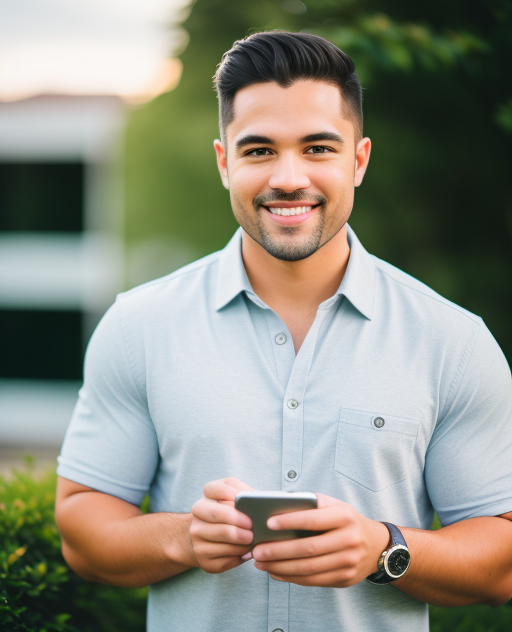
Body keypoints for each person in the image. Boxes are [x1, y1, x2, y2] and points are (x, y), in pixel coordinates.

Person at [55, 31, 512, 631]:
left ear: (359, 159)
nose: (289, 178)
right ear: (225, 163)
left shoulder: (454, 342)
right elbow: (84, 534)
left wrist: (384, 548)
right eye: (260, 150)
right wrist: (184, 538)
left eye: (319, 148)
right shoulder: (139, 325)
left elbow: (501, 565)